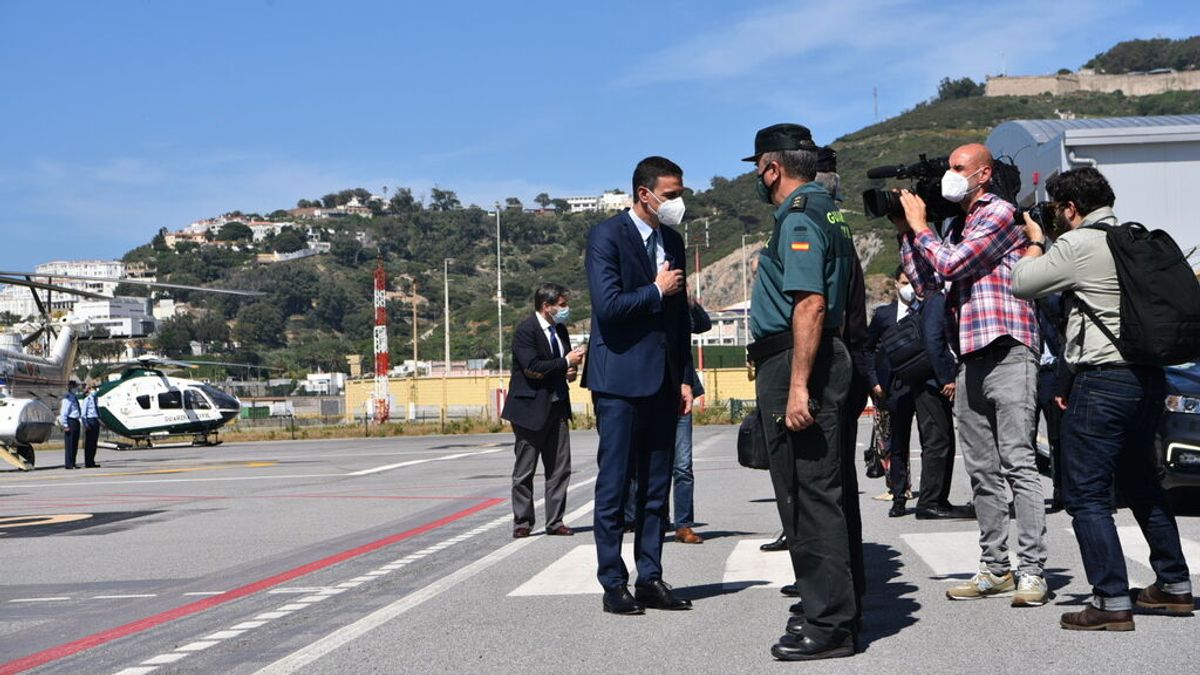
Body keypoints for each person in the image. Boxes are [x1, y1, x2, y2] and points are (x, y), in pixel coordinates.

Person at [1012, 166, 1193, 630]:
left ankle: (1110, 600)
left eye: (1057, 209)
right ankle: (1173, 586)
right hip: (1150, 377)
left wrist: (1035, 239)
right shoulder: (1136, 238)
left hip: (1104, 381)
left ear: (1070, 208)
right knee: (1142, 484)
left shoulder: (1079, 244)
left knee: (1087, 493)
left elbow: (1023, 283)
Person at [896, 142, 1048, 607]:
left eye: (959, 168)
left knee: (1018, 463)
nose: (951, 175)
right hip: (970, 358)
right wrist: (908, 234)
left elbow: (953, 264)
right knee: (982, 471)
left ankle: (1032, 570)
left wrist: (923, 229)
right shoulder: (956, 225)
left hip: (1008, 350)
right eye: (948, 168)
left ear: (982, 174)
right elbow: (928, 286)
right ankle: (995, 567)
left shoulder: (999, 213)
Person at [743, 124, 857, 661]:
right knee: (814, 494)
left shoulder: (800, 215)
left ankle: (830, 624)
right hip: (806, 356)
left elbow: (809, 303)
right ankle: (823, 609)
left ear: (772, 167)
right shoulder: (827, 209)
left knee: (808, 497)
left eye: (757, 169)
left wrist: (796, 388)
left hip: (796, 359)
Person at [582, 155, 696, 616]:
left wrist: (686, 377)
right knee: (614, 486)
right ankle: (613, 582)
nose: (677, 204)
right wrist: (654, 289)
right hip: (619, 381)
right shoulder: (606, 236)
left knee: (655, 487)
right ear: (644, 194)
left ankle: (650, 576)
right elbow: (608, 307)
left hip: (664, 381)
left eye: (680, 195)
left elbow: (678, 319)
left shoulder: (673, 240)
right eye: (671, 196)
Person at [868, 269, 967, 520]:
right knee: (912, 442)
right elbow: (869, 350)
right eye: (904, 282)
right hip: (907, 385)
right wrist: (875, 382)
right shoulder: (897, 311)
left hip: (924, 382)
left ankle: (934, 497)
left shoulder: (927, 305)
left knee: (934, 439)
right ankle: (913, 498)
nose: (909, 287)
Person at [501, 283, 585, 538]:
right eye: (561, 305)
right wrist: (565, 362)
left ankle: (555, 520)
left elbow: (558, 366)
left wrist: (569, 371)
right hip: (530, 408)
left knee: (560, 468)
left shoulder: (560, 330)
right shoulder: (526, 330)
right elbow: (532, 367)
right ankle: (523, 521)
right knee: (525, 469)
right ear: (546, 306)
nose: (565, 309)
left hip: (557, 405)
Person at [59, 379, 82, 470]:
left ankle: (73, 462)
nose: (77, 389)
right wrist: (65, 425)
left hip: (76, 421)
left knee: (75, 444)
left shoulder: (73, 397)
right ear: (71, 387)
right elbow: (64, 413)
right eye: (75, 387)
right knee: (70, 444)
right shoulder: (67, 399)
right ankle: (69, 464)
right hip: (70, 421)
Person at [81, 382, 101, 468]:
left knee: (94, 443)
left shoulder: (96, 399)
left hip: (95, 420)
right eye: (93, 388)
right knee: (89, 443)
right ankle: (88, 462)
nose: (95, 390)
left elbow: (98, 411)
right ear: (89, 389)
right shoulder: (87, 400)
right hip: (90, 420)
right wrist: (86, 424)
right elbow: (83, 414)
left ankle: (92, 461)